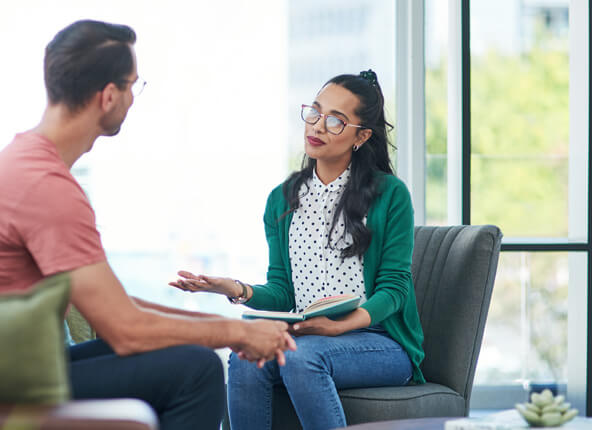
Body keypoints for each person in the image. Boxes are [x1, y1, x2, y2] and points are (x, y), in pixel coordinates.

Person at [0, 20, 296, 430]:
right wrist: (236, 334)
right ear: (108, 96)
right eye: (132, 86)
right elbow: (126, 330)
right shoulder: (46, 187)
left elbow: (119, 309)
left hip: (7, 368)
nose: (132, 97)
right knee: (197, 370)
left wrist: (233, 331)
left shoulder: (21, 163)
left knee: (182, 356)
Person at [170, 70, 425, 430]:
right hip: (308, 334)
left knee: (302, 357)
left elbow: (394, 289)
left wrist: (337, 329)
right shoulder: (282, 200)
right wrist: (236, 290)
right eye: (315, 112)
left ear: (362, 135)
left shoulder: (390, 194)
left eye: (335, 120)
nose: (318, 126)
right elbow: (283, 293)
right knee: (245, 357)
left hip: (380, 342)